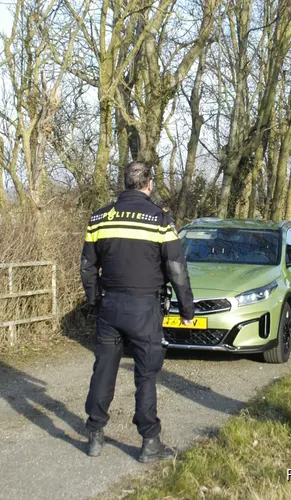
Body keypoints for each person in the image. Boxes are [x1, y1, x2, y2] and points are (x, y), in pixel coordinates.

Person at [80, 161, 195, 462]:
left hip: (110, 305)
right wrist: (186, 307)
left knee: (103, 370)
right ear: (149, 183)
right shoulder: (159, 219)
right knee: (145, 375)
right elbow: (176, 268)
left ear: (126, 183)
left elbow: (87, 266)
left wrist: (95, 301)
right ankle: (149, 442)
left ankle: (94, 435)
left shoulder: (99, 218)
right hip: (144, 307)